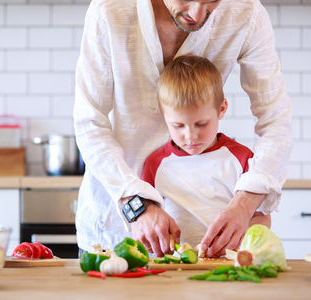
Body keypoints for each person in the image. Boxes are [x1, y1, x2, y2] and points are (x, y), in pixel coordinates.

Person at [73, 0, 292, 258]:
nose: (198, 14)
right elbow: (89, 122)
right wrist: (136, 205)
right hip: (113, 230)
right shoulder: (109, 10)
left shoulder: (247, 13)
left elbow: (276, 122)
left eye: (211, 1)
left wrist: (244, 207)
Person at [141, 54, 271, 248]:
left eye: (201, 124)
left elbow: (262, 218)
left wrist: (240, 240)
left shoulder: (241, 158)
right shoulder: (155, 164)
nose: (190, 135)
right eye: (178, 125)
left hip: (229, 266)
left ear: (221, 109)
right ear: (164, 116)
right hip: (174, 268)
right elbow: (147, 220)